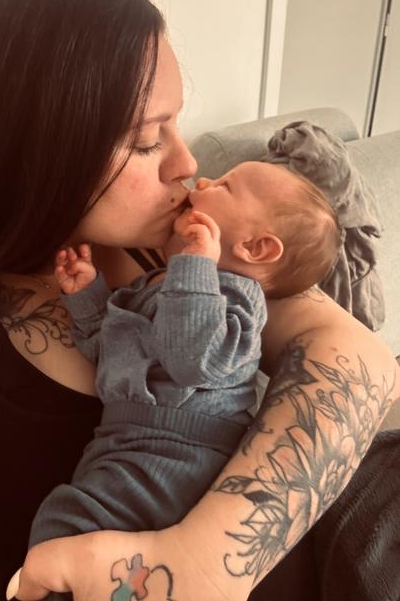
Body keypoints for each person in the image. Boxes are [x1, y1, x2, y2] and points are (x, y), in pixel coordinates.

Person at [0, 0, 396, 601]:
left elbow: (360, 360)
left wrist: (204, 565)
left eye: (176, 124)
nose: (187, 163)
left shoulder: (164, 243)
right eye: (146, 141)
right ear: (30, 151)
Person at [27, 160, 342, 574]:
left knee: (69, 525)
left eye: (225, 186)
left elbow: (192, 360)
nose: (203, 179)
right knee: (75, 526)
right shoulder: (158, 281)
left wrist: (195, 265)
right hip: (122, 443)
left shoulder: (237, 297)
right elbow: (111, 353)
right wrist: (87, 294)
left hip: (186, 453)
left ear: (256, 248)